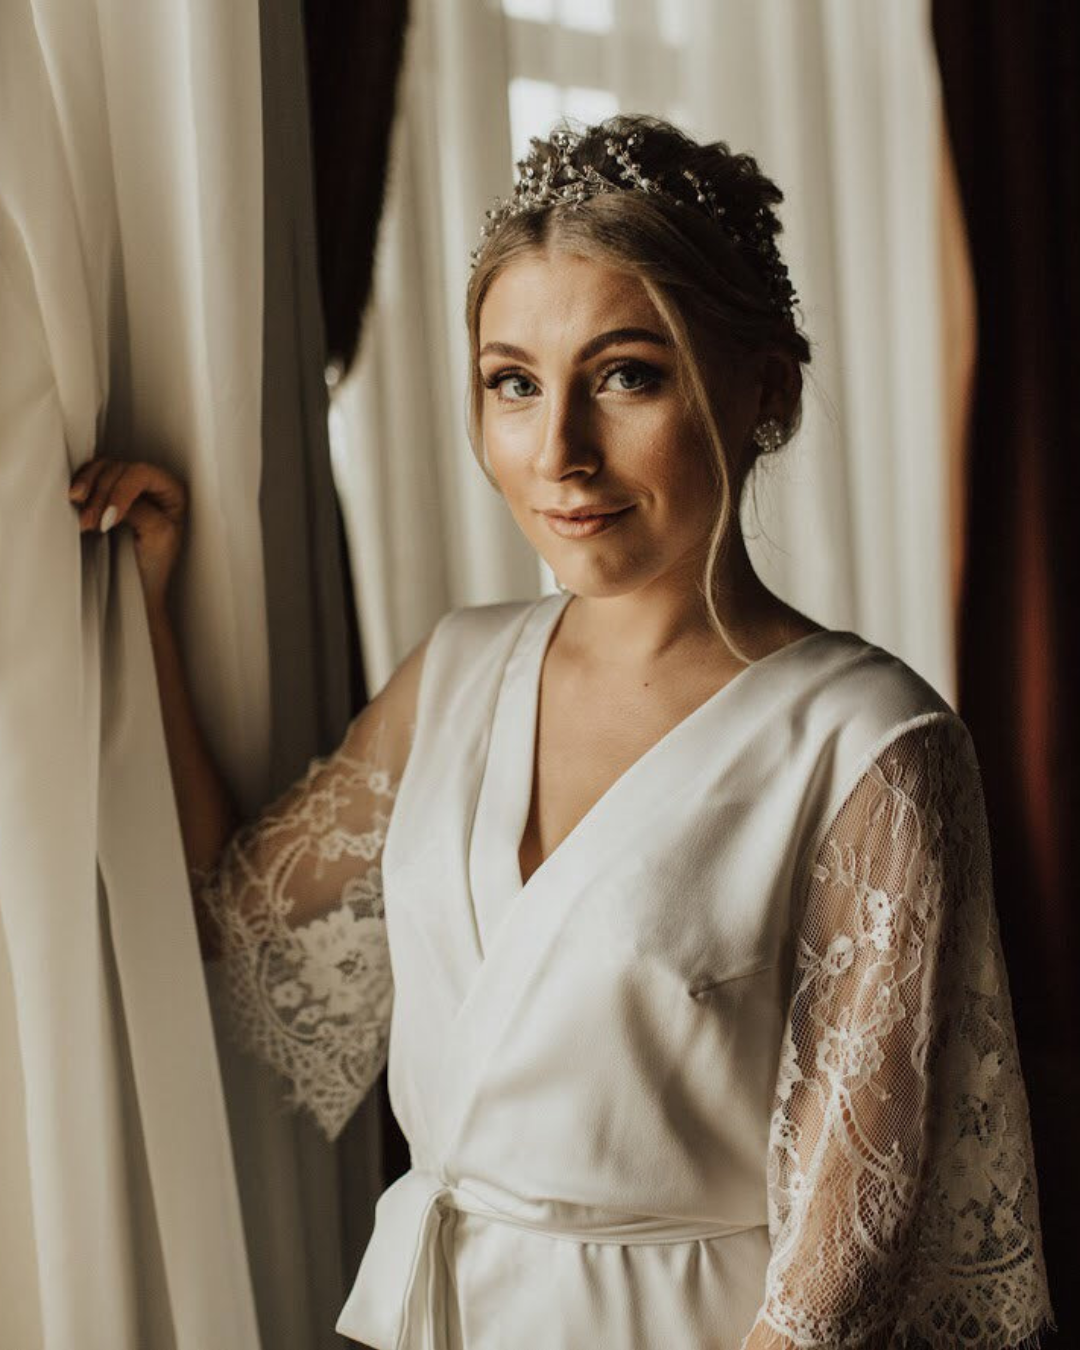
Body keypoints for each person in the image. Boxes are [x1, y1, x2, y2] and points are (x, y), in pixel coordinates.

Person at [68, 115, 1053, 1349]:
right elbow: (241, 922)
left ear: (767, 390)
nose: (560, 453)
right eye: (514, 384)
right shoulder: (461, 667)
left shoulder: (870, 743)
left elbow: (841, 1259)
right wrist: (145, 607)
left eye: (628, 374)